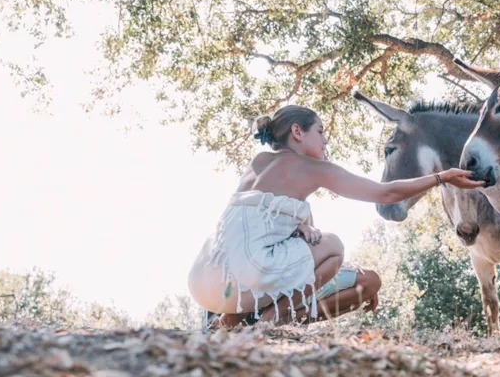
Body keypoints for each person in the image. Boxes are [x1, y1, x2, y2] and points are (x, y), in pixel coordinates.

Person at [188, 104, 482, 328]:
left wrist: (301, 226)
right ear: (297, 132)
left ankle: (232, 320)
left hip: (204, 280)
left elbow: (255, 219)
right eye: (320, 131)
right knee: (333, 246)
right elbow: (385, 193)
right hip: (246, 278)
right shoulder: (315, 169)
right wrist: (441, 177)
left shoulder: (259, 162)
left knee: (363, 278)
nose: (326, 140)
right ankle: (268, 322)